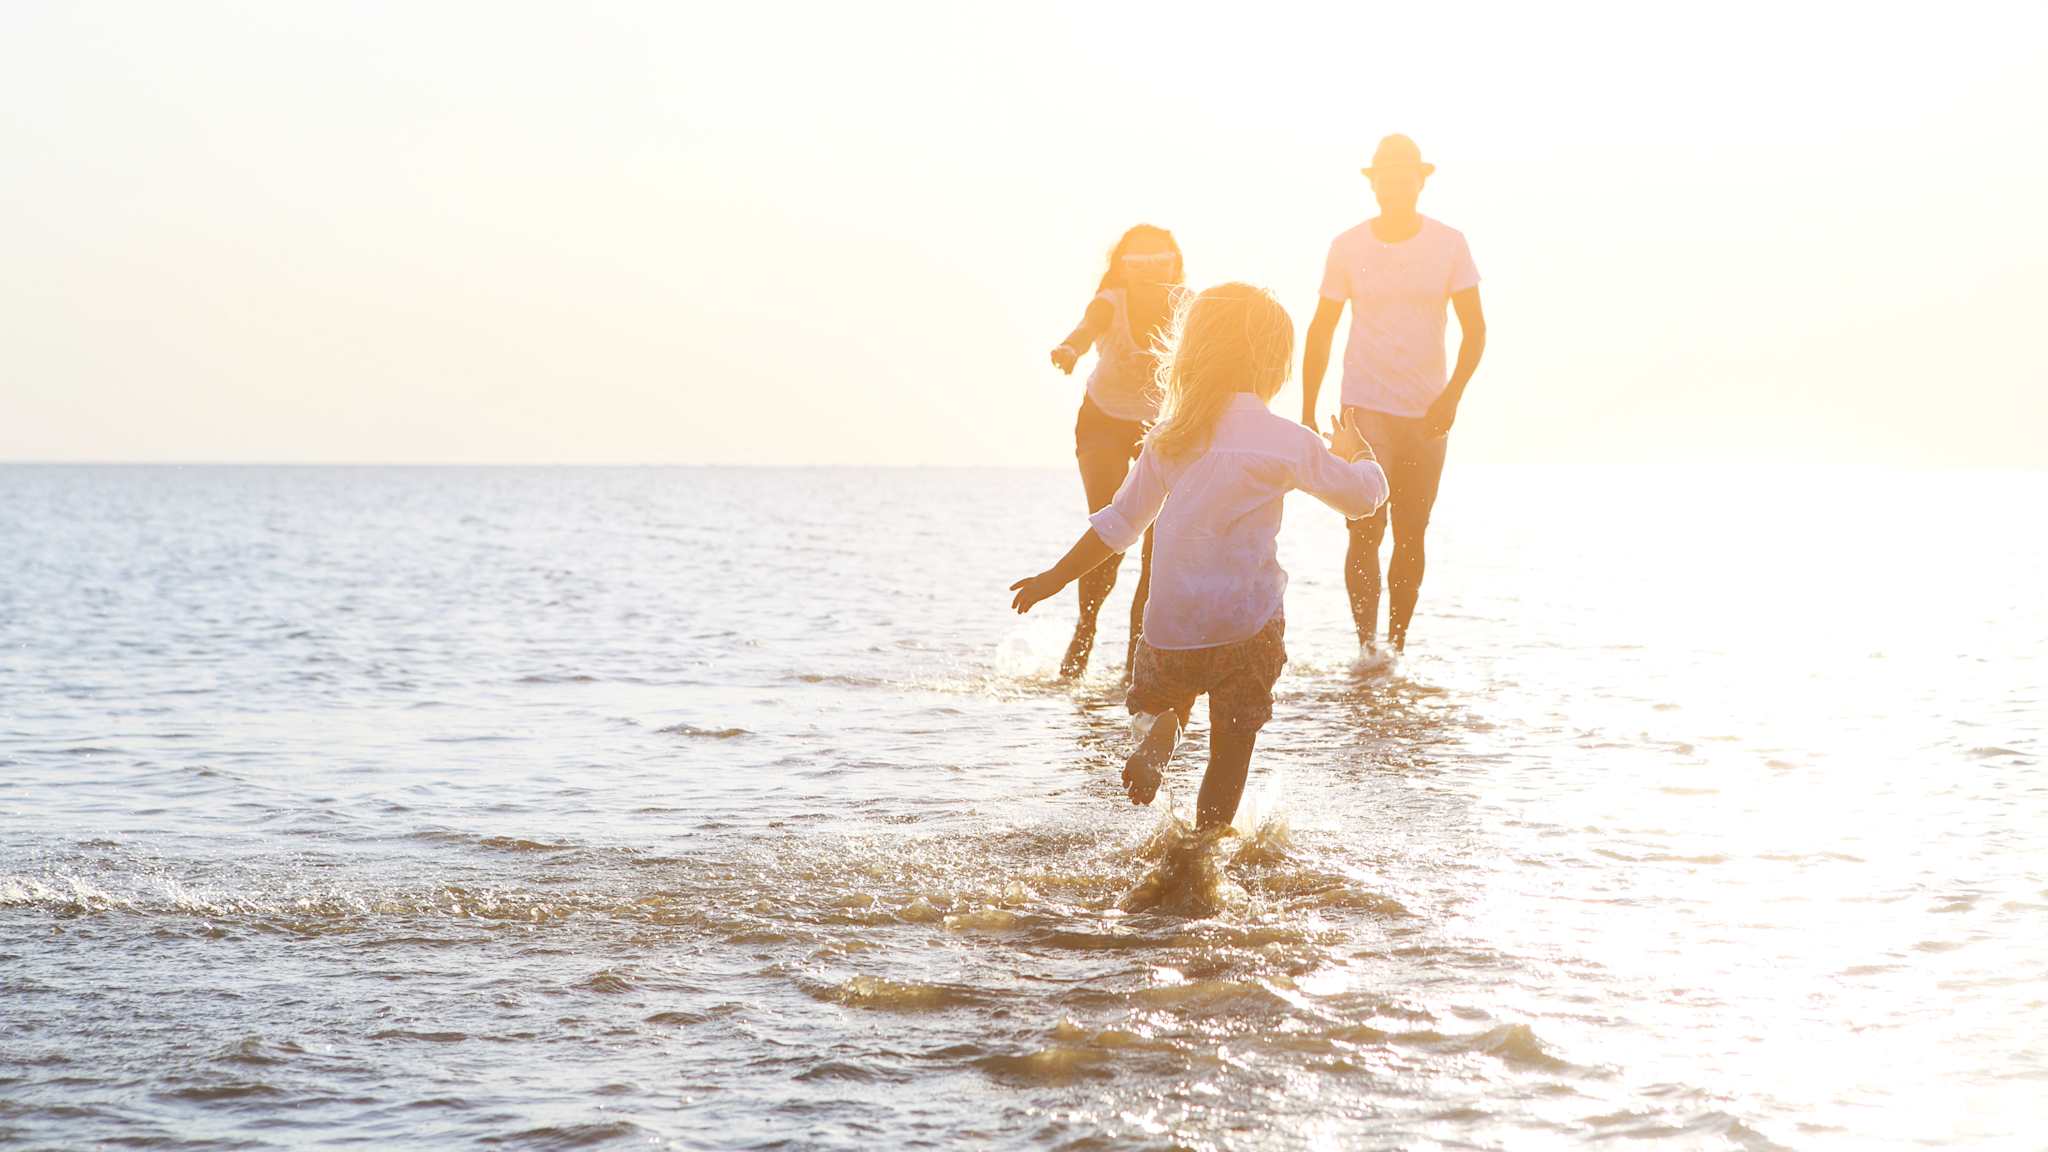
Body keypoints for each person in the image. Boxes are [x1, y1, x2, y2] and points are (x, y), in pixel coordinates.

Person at [1012, 284, 1389, 829]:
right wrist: (1362, 454)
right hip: (1247, 626)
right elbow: (1361, 500)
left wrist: (1055, 576)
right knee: (1229, 756)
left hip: (1173, 628)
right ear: (1272, 362)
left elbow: (1118, 525)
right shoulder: (1288, 441)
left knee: (1158, 702)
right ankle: (1205, 846)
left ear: (1194, 354)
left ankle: (1160, 733)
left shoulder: (1170, 438)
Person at [1300, 134, 1487, 656]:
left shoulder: (1449, 243)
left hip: (1427, 411)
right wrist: (1308, 406)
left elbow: (1475, 330)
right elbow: (1322, 328)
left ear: (1421, 181)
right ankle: (1367, 650)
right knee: (1364, 525)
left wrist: (1452, 397)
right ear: (1374, 182)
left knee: (1411, 530)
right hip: (1364, 406)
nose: (1397, 185)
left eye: (1406, 176)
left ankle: (1395, 651)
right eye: (1387, 176)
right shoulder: (1347, 245)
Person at [1047, 225, 1183, 679]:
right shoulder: (1110, 301)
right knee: (1112, 526)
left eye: (1159, 261)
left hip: (1161, 428)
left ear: (1174, 264)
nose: (1149, 271)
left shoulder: (1187, 305)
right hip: (1103, 419)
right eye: (1137, 263)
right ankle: (1085, 629)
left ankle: (1135, 660)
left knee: (1157, 547)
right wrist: (1069, 349)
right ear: (1122, 267)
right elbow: (1086, 330)